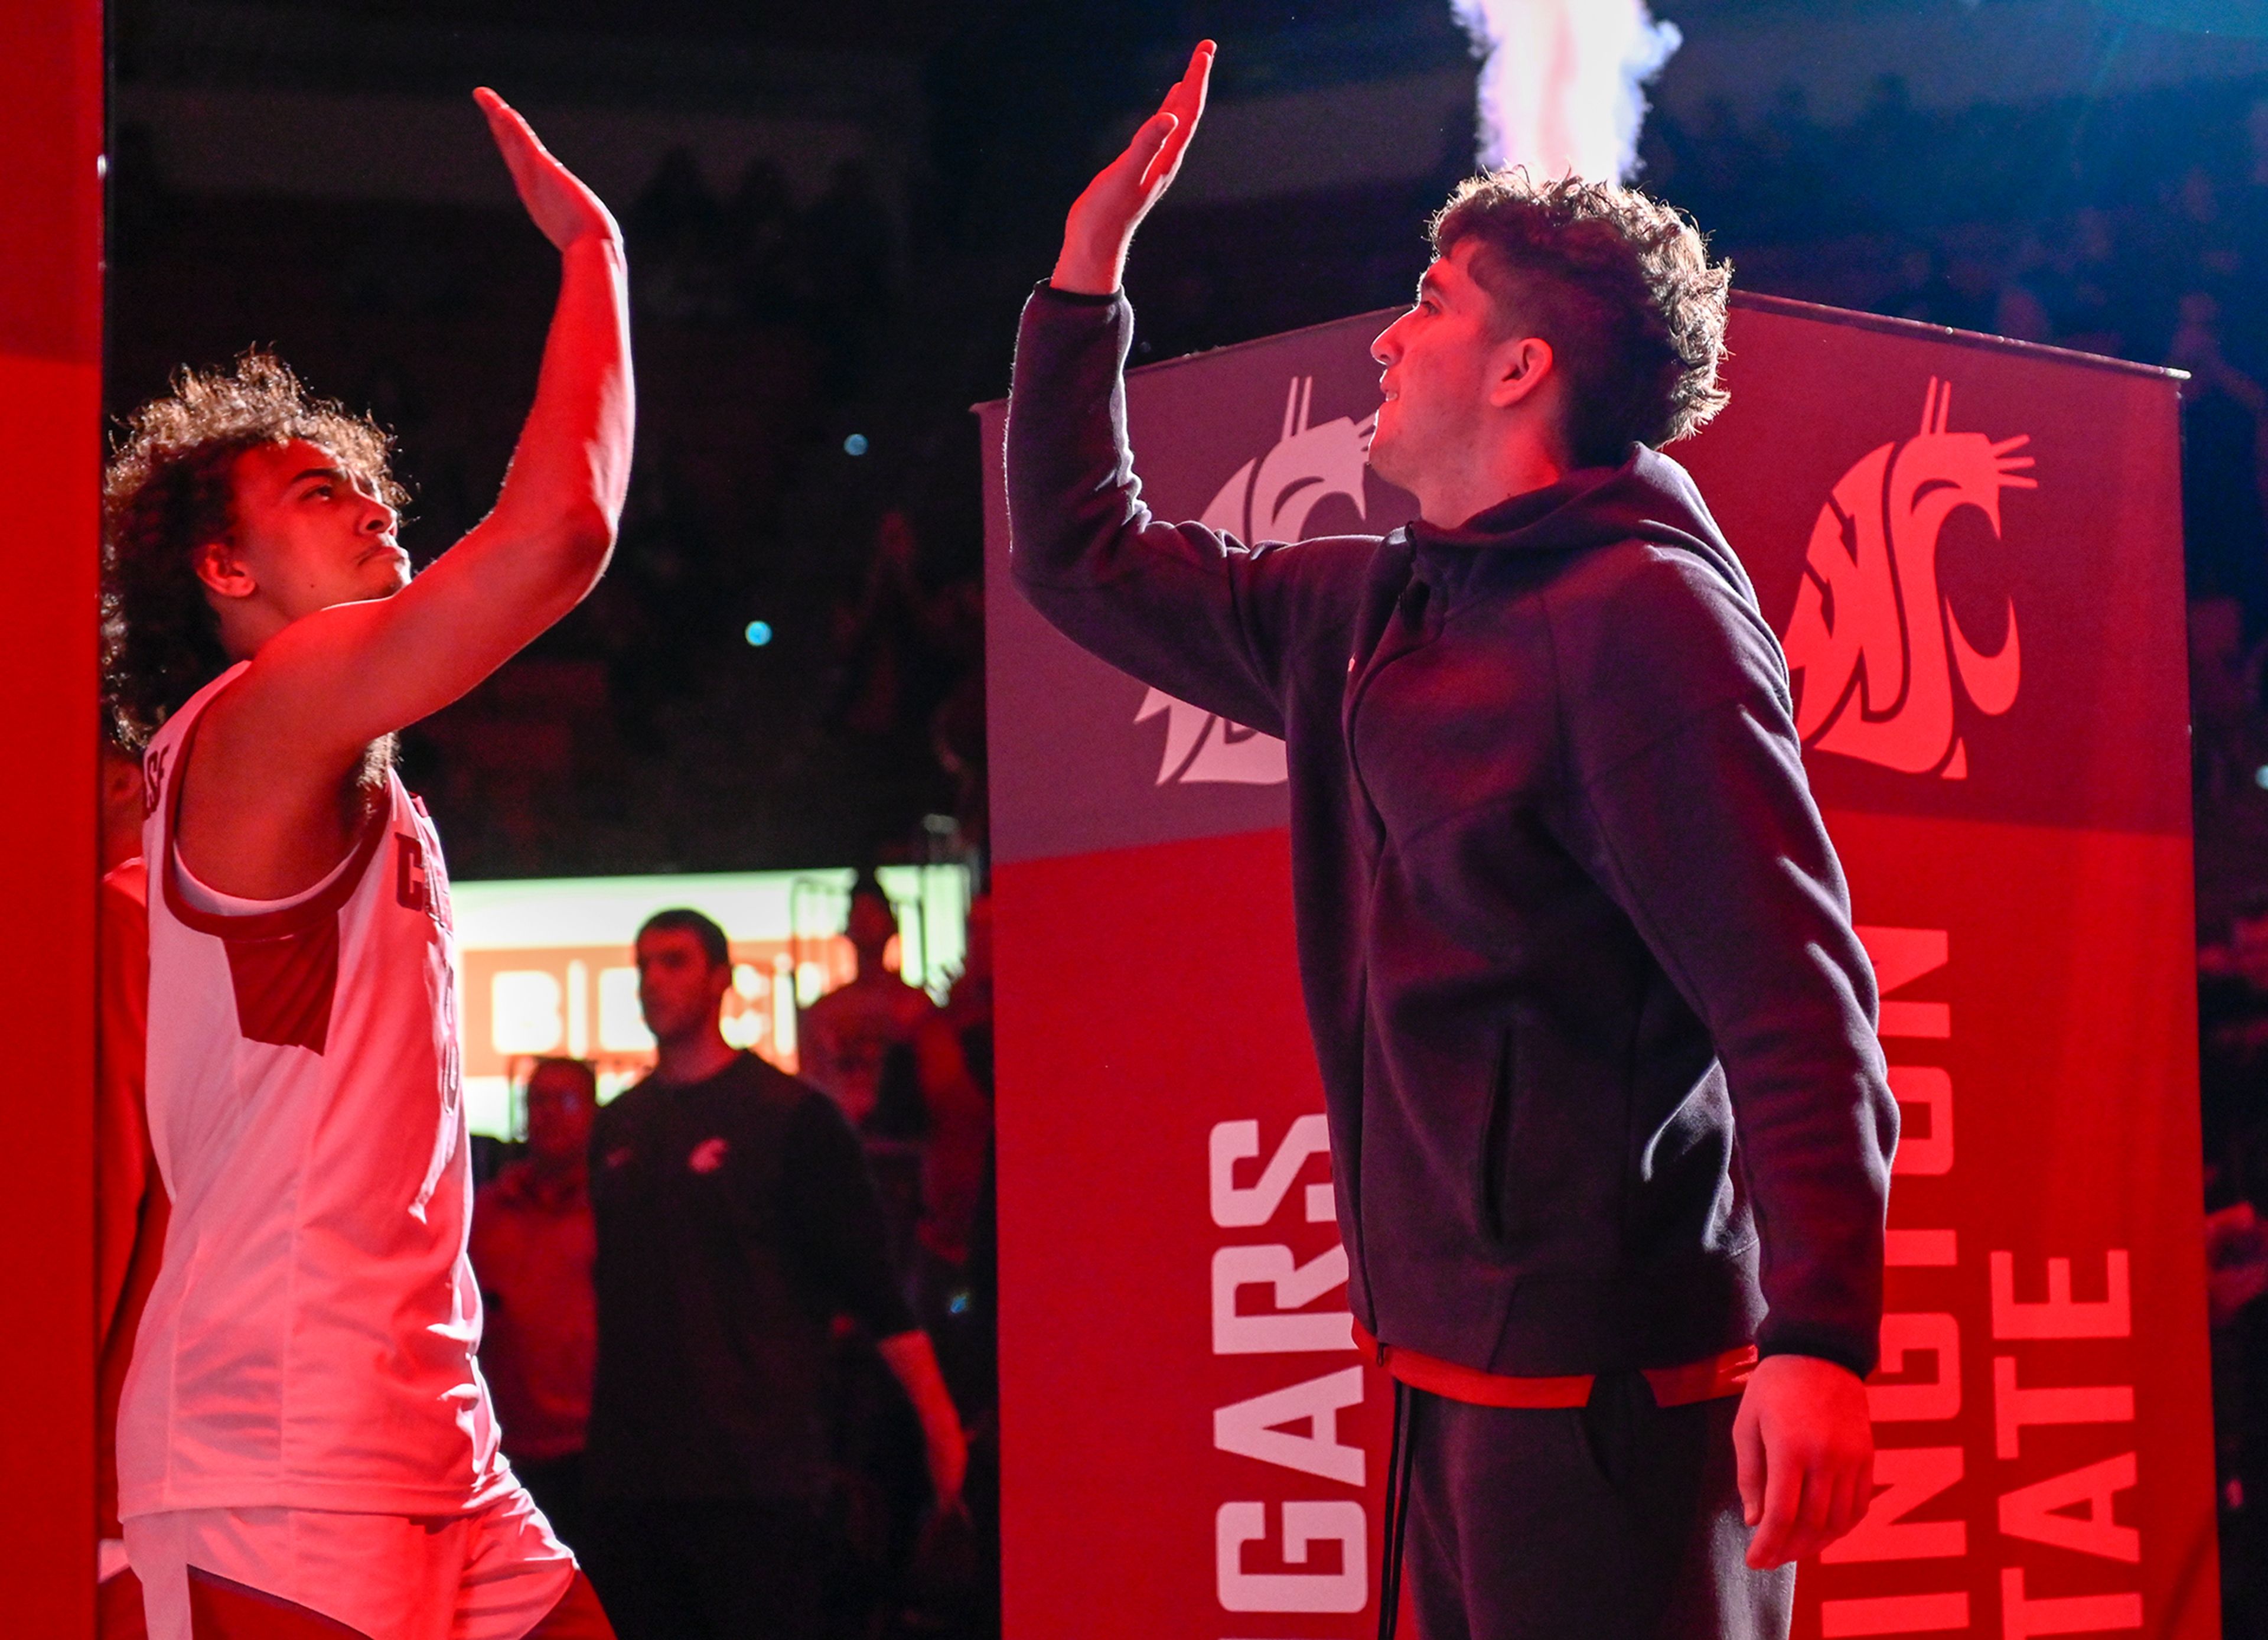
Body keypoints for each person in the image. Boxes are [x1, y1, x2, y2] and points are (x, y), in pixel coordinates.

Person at [1006, 43, 1895, 1640]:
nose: (1386, 338)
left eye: (1428, 302)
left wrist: (1823, 1337)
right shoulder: (1367, 605)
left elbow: (1795, 997)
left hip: (1612, 1393)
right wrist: (1087, 277)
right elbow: (1081, 558)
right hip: (1448, 1366)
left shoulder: (1648, 620)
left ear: (1518, 370)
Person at [102, 89, 631, 1640]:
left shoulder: (369, 787)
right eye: (319, 493)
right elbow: (559, 537)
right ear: (225, 569)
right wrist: (594, 251)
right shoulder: (252, 724)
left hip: (434, 1441)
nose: (374, 501)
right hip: (267, 1458)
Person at [580, 907, 968, 1640]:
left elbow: (873, 1286)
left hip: (750, 1477)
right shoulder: (621, 1125)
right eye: (644, 965)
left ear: (721, 979)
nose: (652, 981)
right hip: (632, 1475)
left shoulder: (789, 1118)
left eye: (674, 961)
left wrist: (941, 1426)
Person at [471, 1059, 603, 1554]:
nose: (548, 1114)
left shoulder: (615, 1206)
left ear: (594, 1112)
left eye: (564, 1101)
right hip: (505, 1453)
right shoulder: (486, 1209)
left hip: (595, 1452)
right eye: (537, 1101)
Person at [797, 874, 939, 1131]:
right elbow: (811, 1083)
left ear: (891, 924)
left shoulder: (917, 1006)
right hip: (840, 1137)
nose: (864, 921)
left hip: (902, 1137)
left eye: (872, 912)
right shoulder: (823, 1012)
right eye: (857, 913)